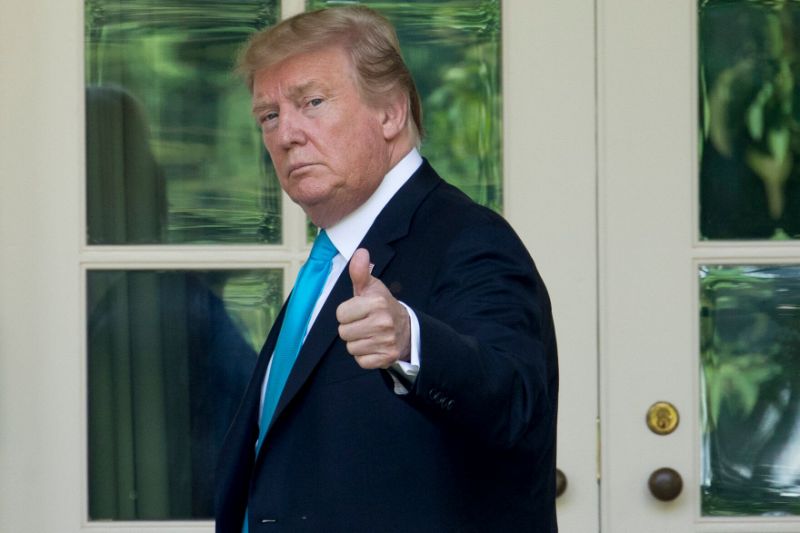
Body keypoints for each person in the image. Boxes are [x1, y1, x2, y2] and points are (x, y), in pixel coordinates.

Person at [215, 6, 558, 532]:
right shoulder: (331, 259)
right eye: (269, 115)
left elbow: (513, 401)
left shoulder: (470, 238)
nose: (287, 134)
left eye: (312, 102)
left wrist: (410, 342)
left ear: (391, 114)